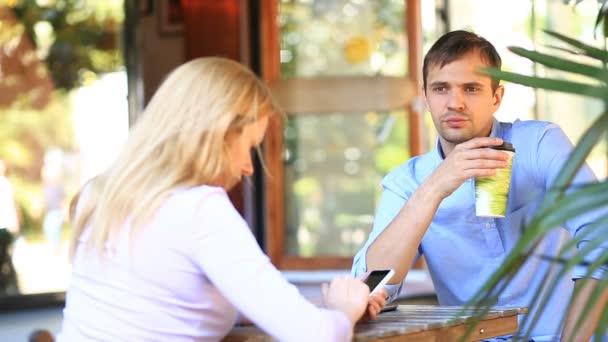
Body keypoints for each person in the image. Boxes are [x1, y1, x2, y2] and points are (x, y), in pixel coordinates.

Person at [57, 57, 386, 342]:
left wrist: (323, 308)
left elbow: (165, 309)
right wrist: (343, 312)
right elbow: (316, 337)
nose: (246, 167)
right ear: (219, 132)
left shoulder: (100, 195)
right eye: (248, 146)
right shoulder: (198, 209)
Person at [352, 30, 608, 341]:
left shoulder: (539, 145)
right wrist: (435, 188)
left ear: (496, 97)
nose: (455, 103)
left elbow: (601, 243)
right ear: (426, 97)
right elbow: (371, 288)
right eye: (441, 89)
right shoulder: (408, 182)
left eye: (471, 89)